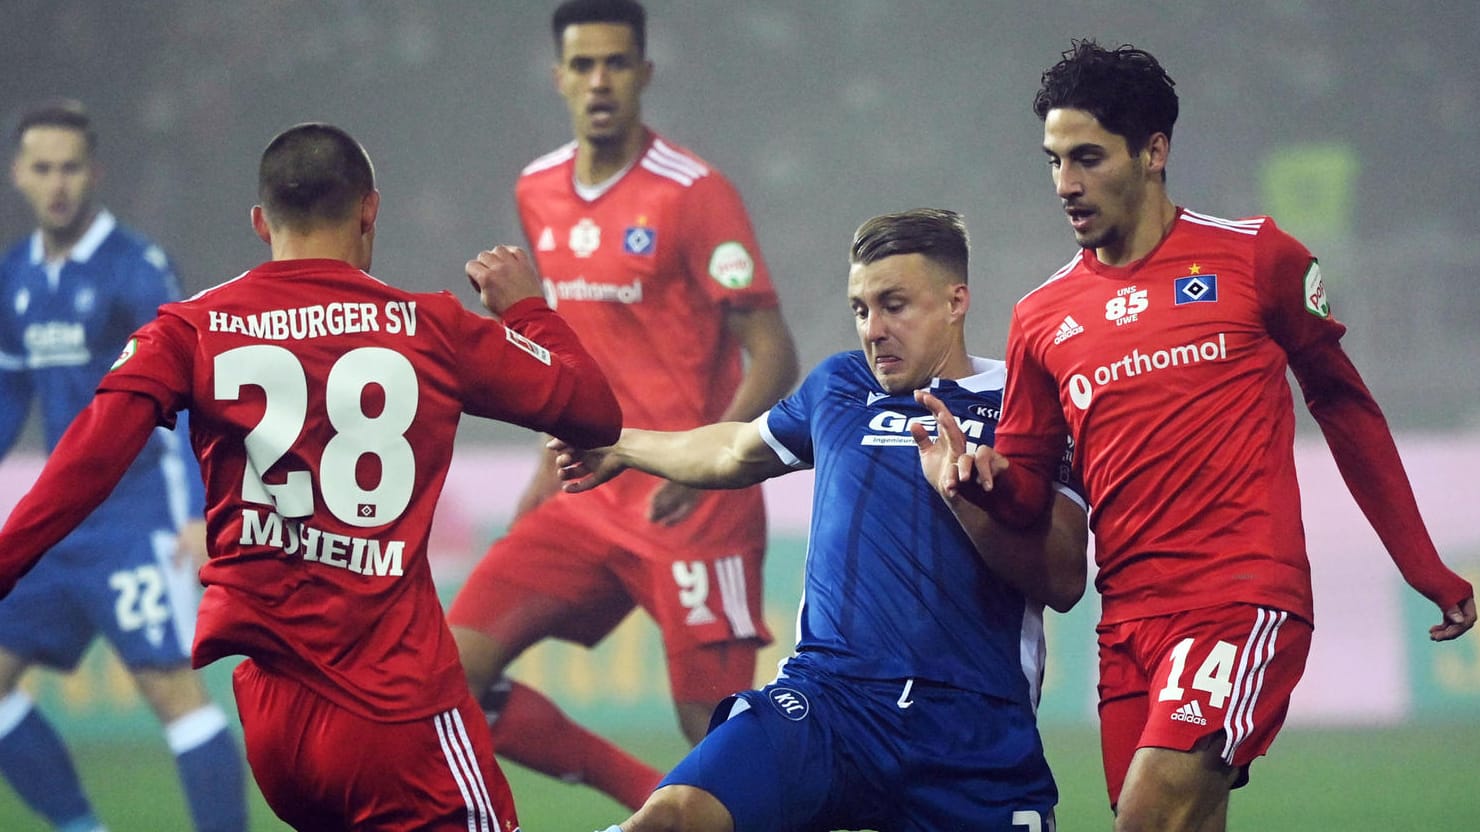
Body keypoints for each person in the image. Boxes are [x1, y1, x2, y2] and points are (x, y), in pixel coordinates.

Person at [0, 121, 624, 831]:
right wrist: (526, 309)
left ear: (262, 223)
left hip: (276, 733)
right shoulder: (430, 328)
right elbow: (594, 412)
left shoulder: (191, 329)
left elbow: (84, 460)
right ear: (370, 210)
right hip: (398, 715)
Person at [972, 40, 1478, 832]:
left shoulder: (1255, 257)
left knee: (1145, 819)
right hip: (1126, 623)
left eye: (1086, 158)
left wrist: (1420, 564)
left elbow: (1343, 408)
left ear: (1153, 152)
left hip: (1239, 600)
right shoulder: (1041, 316)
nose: (1064, 184)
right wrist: (981, 482)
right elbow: (1030, 490)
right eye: (1053, 160)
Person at [558, 208, 1089, 832]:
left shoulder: (1027, 405)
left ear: (956, 300)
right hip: (830, 699)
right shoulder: (839, 386)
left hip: (970, 727)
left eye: (894, 305)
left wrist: (964, 495)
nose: (874, 330)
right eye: (861, 309)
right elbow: (734, 450)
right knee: (672, 817)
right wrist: (622, 445)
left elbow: (1064, 580)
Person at [445, 0, 799, 810]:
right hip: (588, 493)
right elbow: (567, 342)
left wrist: (713, 461)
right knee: (442, 675)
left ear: (643, 74)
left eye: (614, 64)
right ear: (559, 77)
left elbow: (773, 350)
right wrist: (545, 453)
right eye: (583, 65)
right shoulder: (537, 189)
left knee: (718, 741)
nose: (599, 81)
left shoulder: (693, 194)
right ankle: (641, 796)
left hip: (691, 504)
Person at [0, 100, 247, 832]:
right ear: (18, 174)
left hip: (139, 517)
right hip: (59, 524)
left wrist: (203, 512)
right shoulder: (15, 276)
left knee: (168, 690)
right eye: (42, 169)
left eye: (70, 168)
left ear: (94, 173)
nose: (57, 185)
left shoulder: (137, 269)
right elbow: (11, 400)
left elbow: (199, 392)